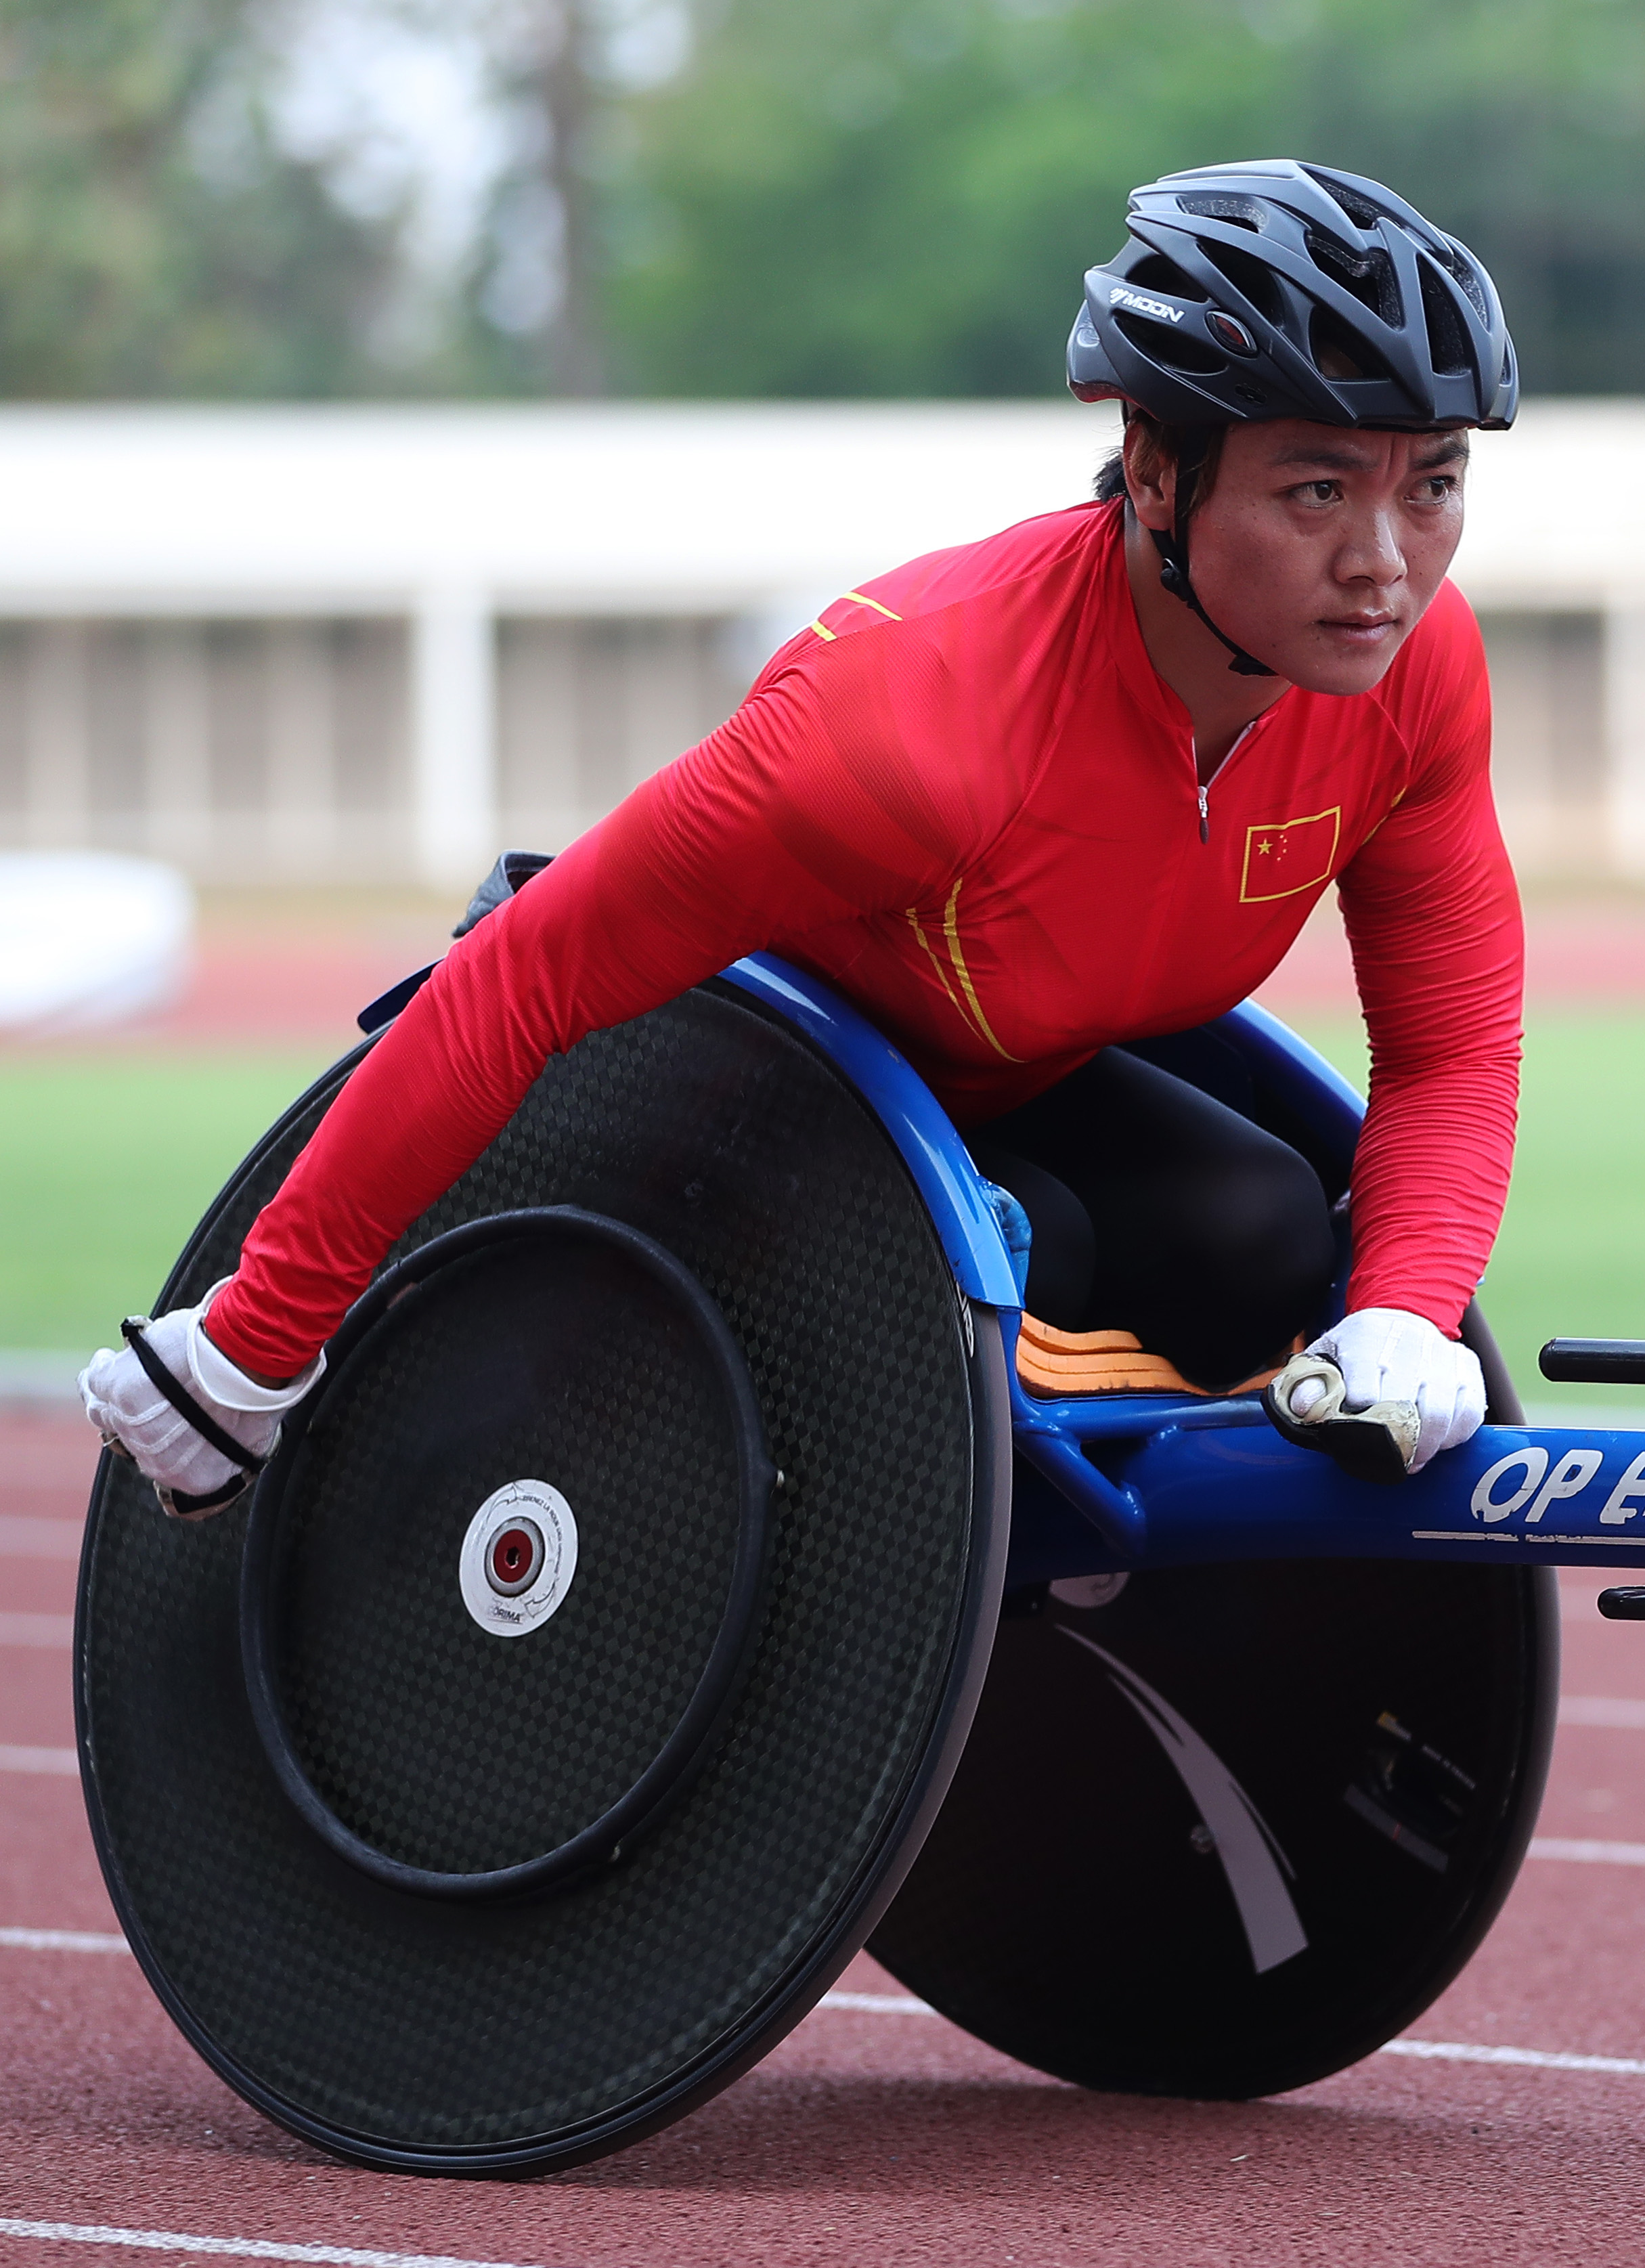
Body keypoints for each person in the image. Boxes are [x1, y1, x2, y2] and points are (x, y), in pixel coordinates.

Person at [81, 158, 1524, 1514]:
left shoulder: (1412, 680)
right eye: (1317, 488)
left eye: (1432, 486)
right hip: (725, 1090)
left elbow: (1452, 1044)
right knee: (1037, 1277)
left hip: (1004, 1068)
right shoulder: (911, 724)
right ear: (1153, 473)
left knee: (1262, 1232)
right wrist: (252, 1348)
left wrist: (1401, 1306)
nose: (1383, 563)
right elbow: (525, 977)